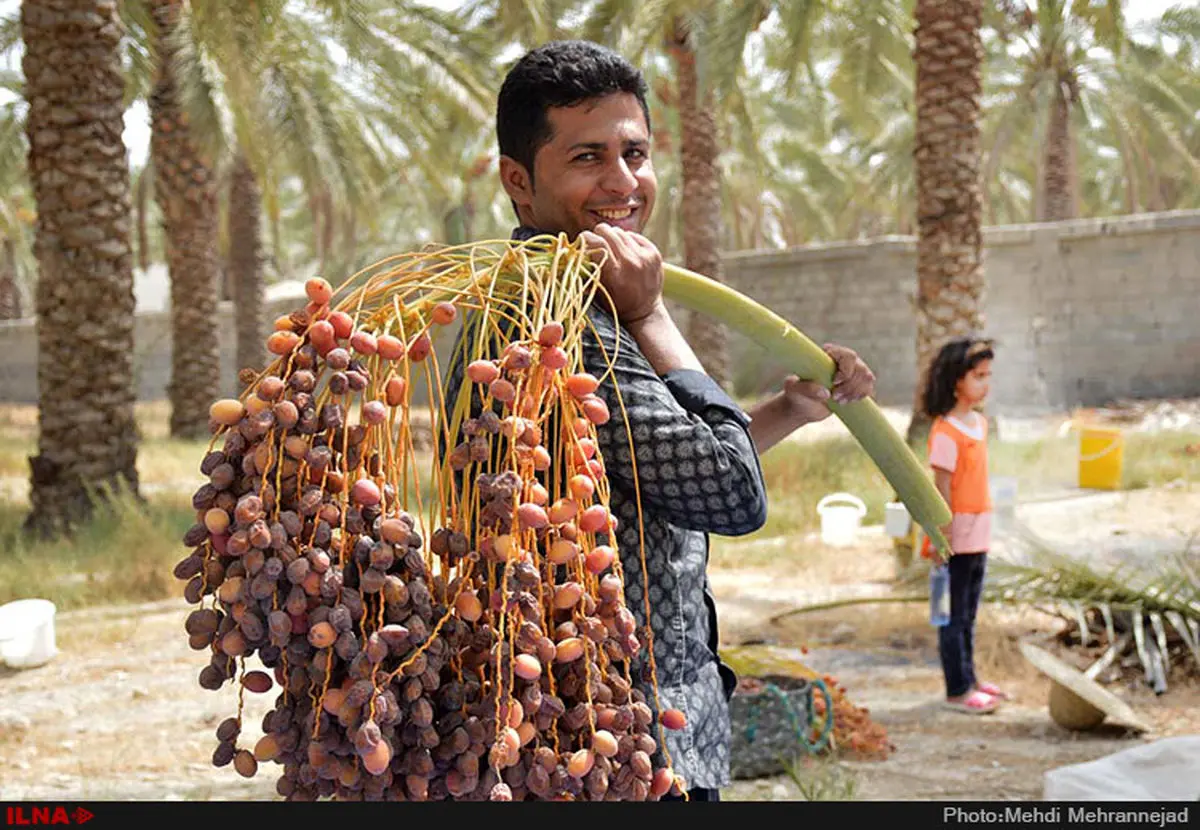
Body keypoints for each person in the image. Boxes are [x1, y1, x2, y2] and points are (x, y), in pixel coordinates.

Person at [444, 39, 877, 800]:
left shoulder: (540, 309)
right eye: (587, 158)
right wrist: (653, 317)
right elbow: (732, 495)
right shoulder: (559, 326)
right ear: (518, 180)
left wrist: (782, 412)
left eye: (636, 153)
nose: (624, 182)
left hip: (609, 732)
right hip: (614, 740)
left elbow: (652, 470)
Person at [920, 337, 1006, 715]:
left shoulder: (980, 424)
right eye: (979, 376)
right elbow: (941, 487)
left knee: (969, 614)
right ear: (957, 380)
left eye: (989, 376)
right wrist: (941, 535)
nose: (986, 384)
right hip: (954, 537)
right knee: (952, 617)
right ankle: (957, 690)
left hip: (979, 532)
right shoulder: (946, 431)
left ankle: (971, 678)